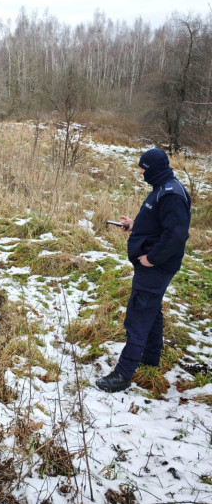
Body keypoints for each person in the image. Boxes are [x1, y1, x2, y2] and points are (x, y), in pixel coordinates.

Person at [96, 148, 191, 393]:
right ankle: (150, 357)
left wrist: (152, 258)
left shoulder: (171, 194)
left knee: (138, 316)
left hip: (155, 268)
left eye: (143, 168)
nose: (140, 172)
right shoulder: (162, 189)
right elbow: (161, 225)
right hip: (153, 266)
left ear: (153, 169)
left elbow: (177, 235)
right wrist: (134, 225)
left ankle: (123, 374)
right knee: (152, 309)